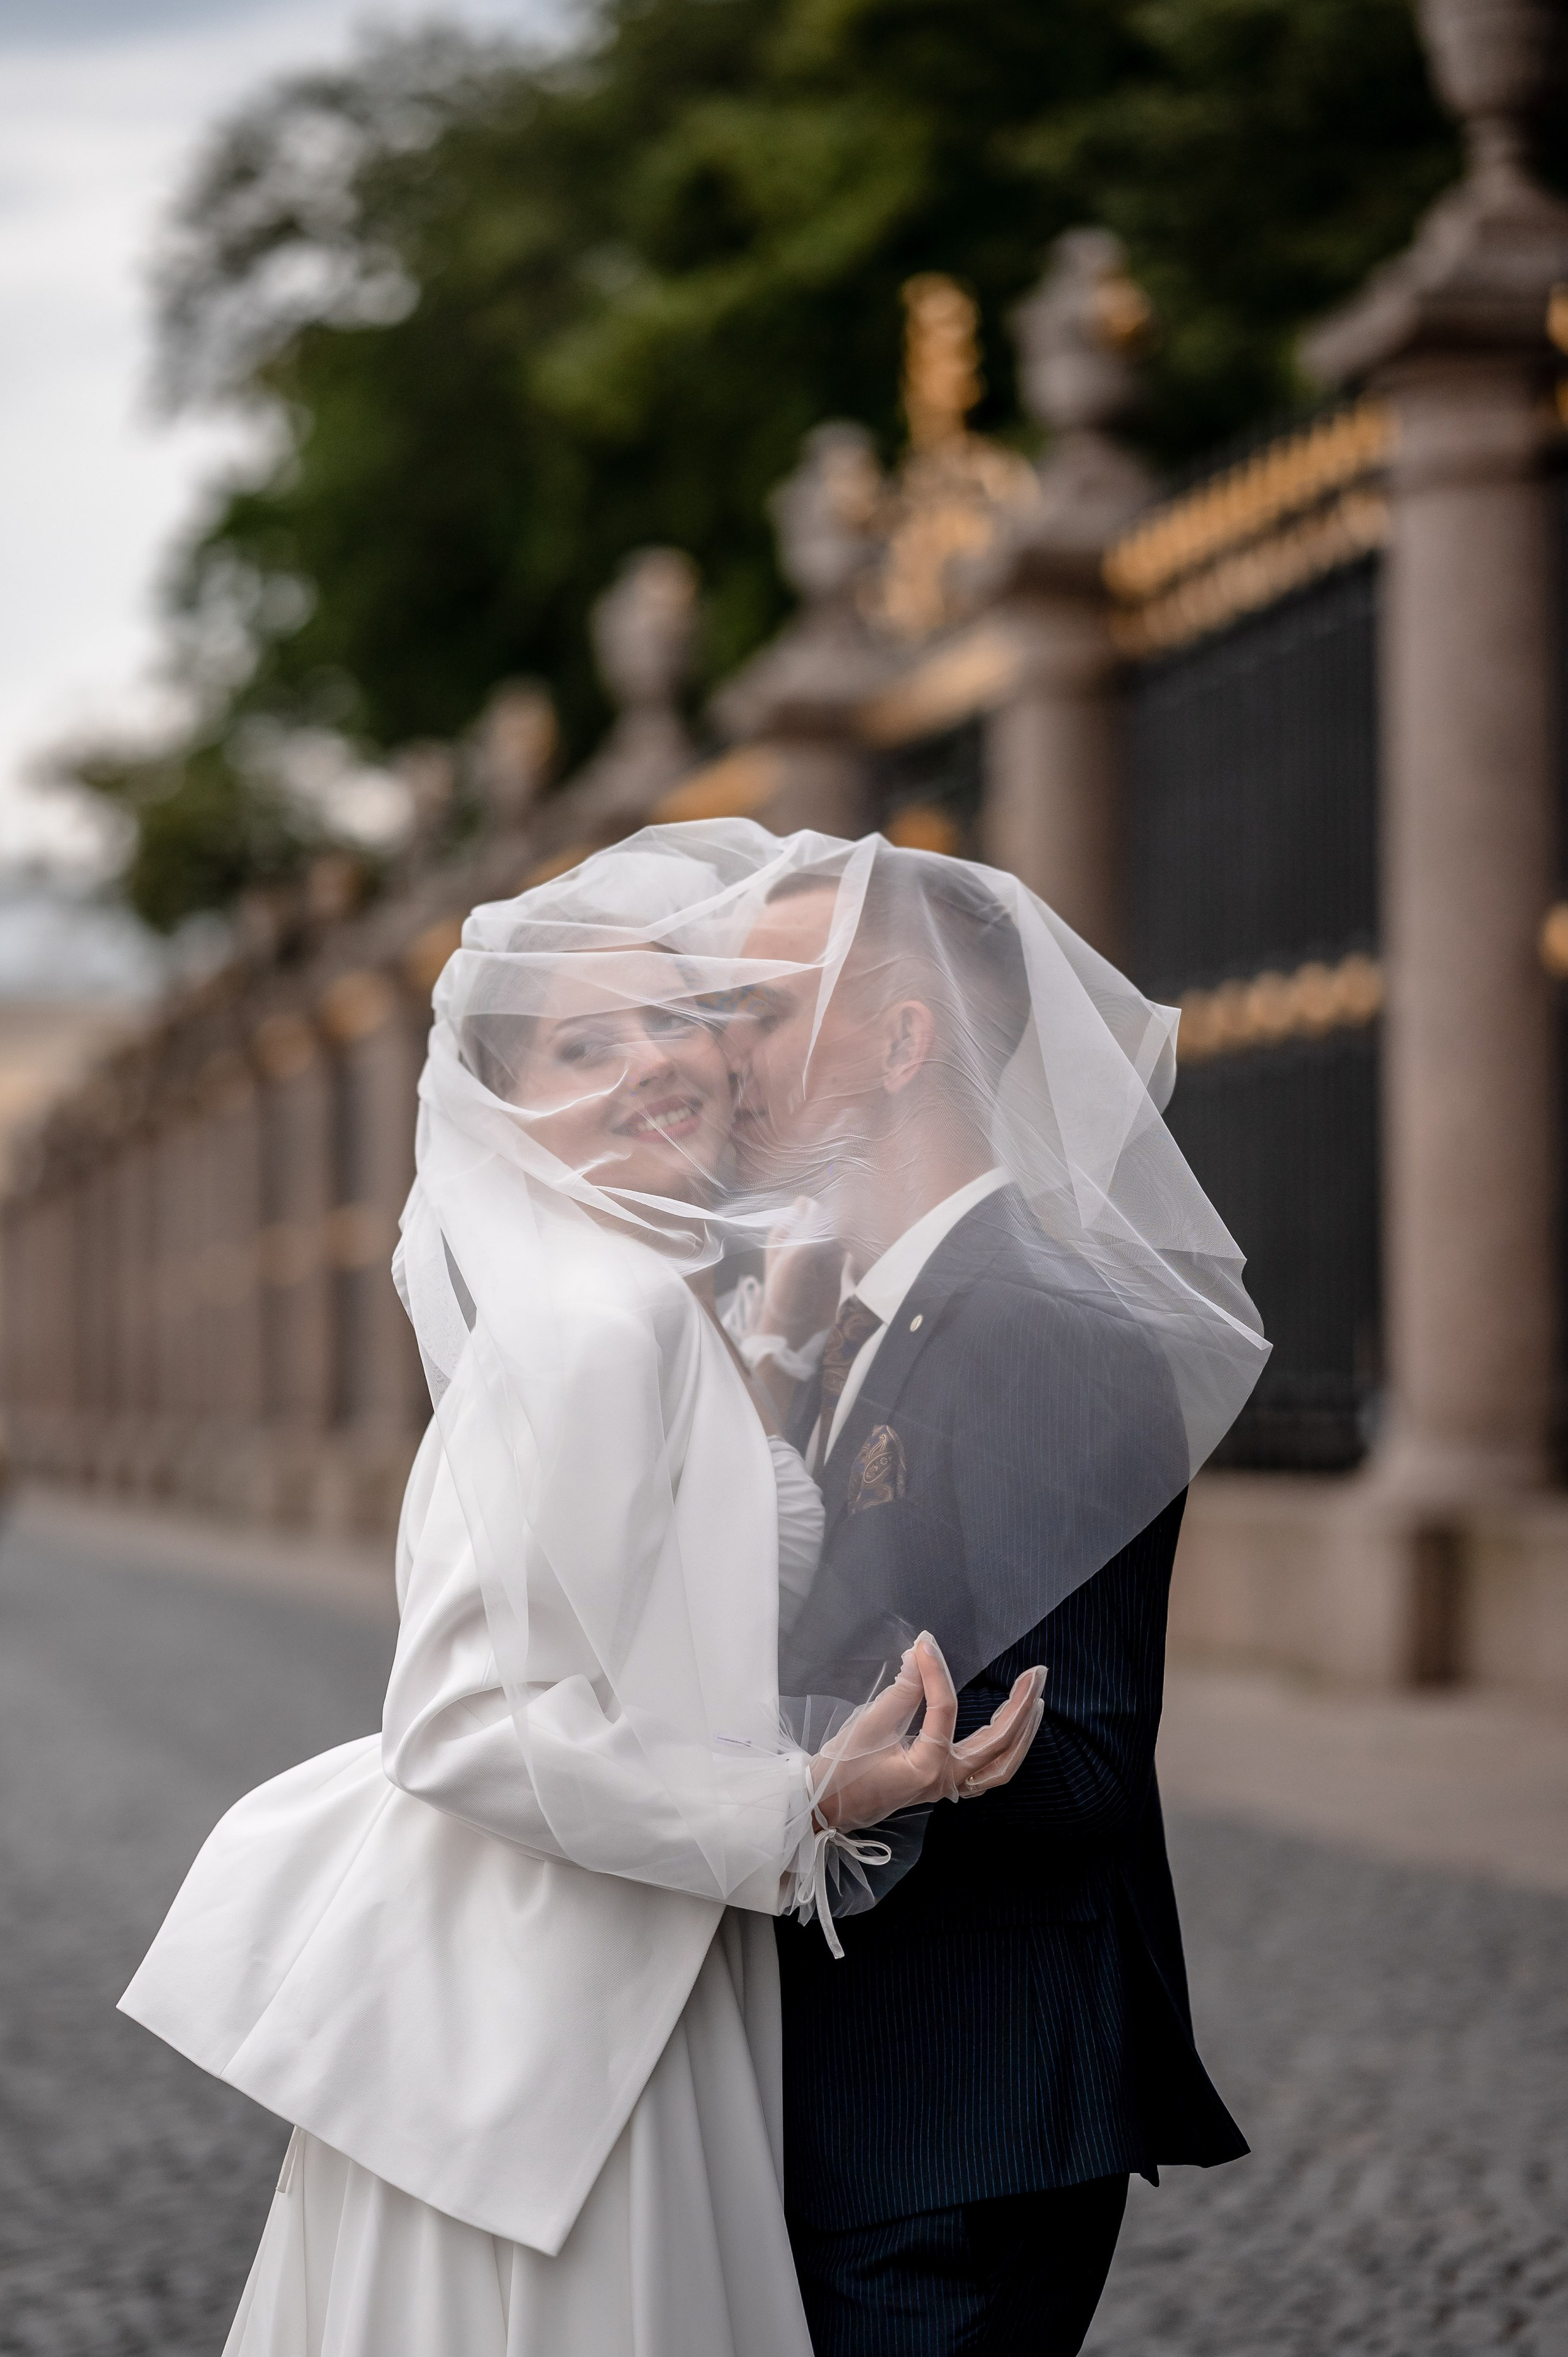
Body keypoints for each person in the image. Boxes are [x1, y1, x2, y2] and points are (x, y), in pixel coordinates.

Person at [119, 839, 1042, 2357]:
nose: (655, 1062)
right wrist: (803, 1800)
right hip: (568, 2009)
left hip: (622, 1970)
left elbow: (680, 1593)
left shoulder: (634, 1306)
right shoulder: (593, 1327)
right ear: (507, 1103)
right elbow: (461, 1724)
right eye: (584, 1042)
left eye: (671, 1019)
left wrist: (778, 1367)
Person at [729, 846, 1257, 2357]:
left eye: (768, 1011)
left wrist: (776, 1786)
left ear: (901, 1044)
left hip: (955, 2110)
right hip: (851, 2098)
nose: (725, 1054)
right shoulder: (843, 1320)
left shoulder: (1040, 1326)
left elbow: (1076, 1753)